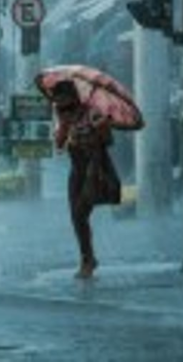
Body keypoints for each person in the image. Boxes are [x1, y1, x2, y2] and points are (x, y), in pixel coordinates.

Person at [51, 80, 121, 279]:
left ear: (72, 96)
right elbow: (59, 146)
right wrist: (63, 126)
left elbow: (108, 142)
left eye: (62, 99)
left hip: (94, 167)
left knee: (81, 212)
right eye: (57, 101)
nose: (59, 104)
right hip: (76, 169)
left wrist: (102, 128)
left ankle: (87, 260)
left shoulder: (92, 112)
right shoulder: (62, 115)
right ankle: (87, 257)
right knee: (76, 216)